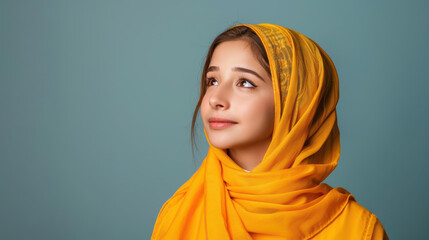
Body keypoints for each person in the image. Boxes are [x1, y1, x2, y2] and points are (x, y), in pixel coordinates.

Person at [151, 23, 389, 239]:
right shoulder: (178, 213)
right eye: (212, 81)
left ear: (295, 103)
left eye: (244, 82)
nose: (215, 99)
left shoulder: (357, 230)